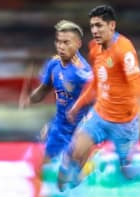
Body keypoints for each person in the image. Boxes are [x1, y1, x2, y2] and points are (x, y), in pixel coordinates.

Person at [57, 5, 140, 195]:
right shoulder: (95, 49)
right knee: (76, 149)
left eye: (99, 26)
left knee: (127, 172)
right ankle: (73, 184)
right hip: (100, 115)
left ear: (112, 26)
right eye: (92, 26)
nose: (94, 31)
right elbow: (96, 82)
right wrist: (77, 106)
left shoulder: (124, 49)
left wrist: (138, 114)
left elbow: (137, 85)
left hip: (124, 124)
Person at [20, 19, 93, 164]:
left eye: (66, 42)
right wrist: (30, 99)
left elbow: (98, 100)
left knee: (72, 174)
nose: (61, 46)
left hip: (79, 130)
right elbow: (44, 89)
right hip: (59, 127)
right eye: (59, 42)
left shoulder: (83, 72)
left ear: (78, 44)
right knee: (40, 166)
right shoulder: (53, 64)